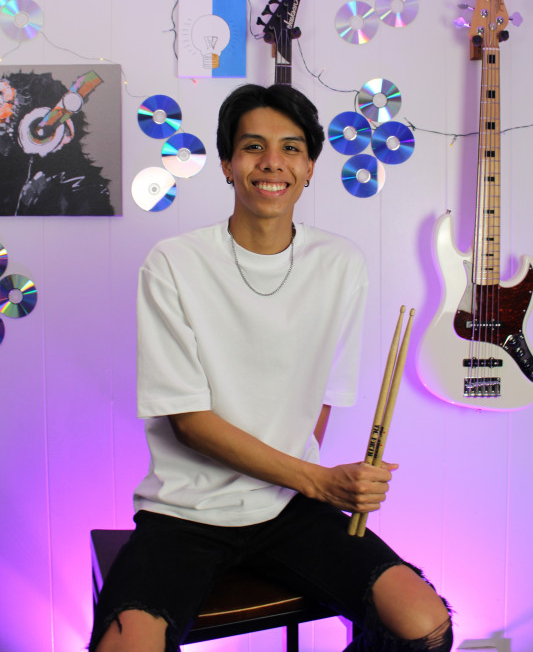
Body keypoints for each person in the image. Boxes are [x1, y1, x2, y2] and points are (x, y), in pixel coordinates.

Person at [89, 83, 452, 652]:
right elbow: (188, 421)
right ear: (229, 165)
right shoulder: (174, 264)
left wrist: (304, 482)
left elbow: (323, 397)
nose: (272, 163)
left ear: (310, 167)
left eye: (291, 148)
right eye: (253, 147)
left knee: (424, 625)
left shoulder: (340, 263)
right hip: (186, 512)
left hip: (290, 507)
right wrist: (320, 480)